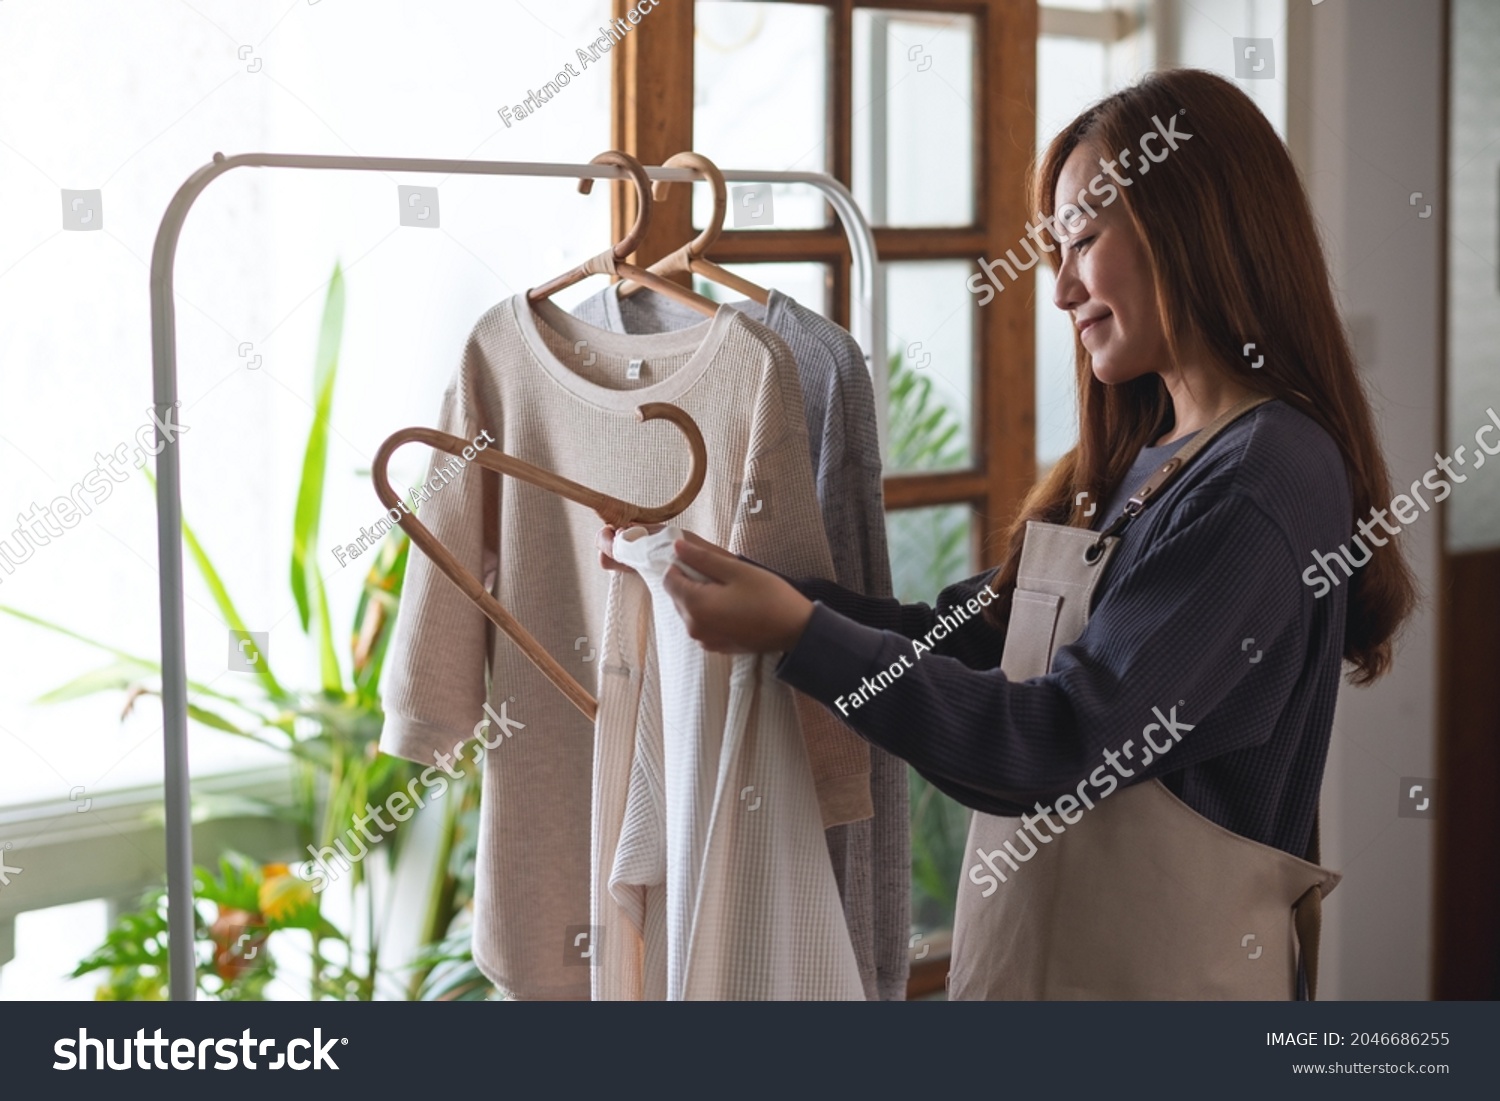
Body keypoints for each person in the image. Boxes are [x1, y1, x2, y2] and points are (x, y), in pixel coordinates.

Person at [598, 68, 1416, 1000]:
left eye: (1082, 238)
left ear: (1193, 226)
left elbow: (1055, 743)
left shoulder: (1268, 474)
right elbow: (965, 641)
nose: (1061, 287)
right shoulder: (1149, 461)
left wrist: (798, 634)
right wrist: (736, 581)